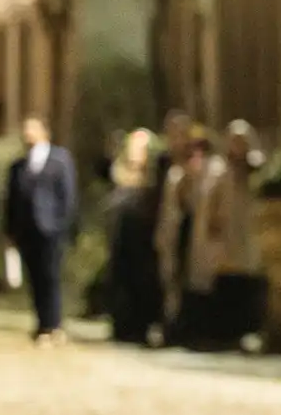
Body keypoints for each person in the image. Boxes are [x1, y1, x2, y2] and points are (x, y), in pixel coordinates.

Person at [5, 115, 79, 346]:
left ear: (44, 132)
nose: (28, 134)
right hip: (27, 231)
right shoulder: (18, 166)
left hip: (52, 230)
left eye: (32, 129)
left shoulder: (60, 159)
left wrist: (63, 225)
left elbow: (68, 196)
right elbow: (11, 201)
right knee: (35, 278)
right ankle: (41, 324)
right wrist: (10, 231)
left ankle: (54, 324)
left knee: (51, 277)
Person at [201, 121, 266, 346]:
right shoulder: (219, 171)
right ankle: (224, 333)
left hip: (247, 235)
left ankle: (245, 330)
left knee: (245, 283)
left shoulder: (254, 170)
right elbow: (210, 202)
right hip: (225, 237)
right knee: (226, 283)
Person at [104, 129, 163, 345]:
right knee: (120, 281)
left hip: (145, 238)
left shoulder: (155, 180)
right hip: (121, 238)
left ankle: (142, 326)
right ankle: (122, 325)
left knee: (144, 282)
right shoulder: (118, 174)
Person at [156, 130, 215, 344]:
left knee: (197, 285)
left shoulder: (210, 177)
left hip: (198, 239)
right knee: (173, 284)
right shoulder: (175, 175)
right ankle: (172, 329)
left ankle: (196, 331)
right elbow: (170, 208)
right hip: (178, 234)